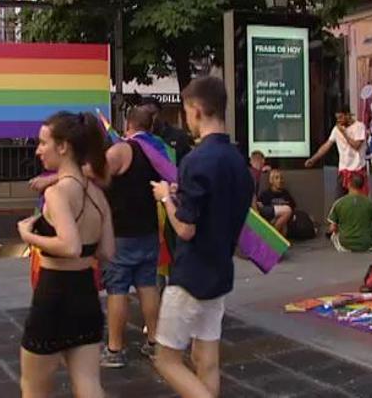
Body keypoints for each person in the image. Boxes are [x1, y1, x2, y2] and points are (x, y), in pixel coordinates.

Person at [150, 76, 253, 398]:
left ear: (196, 109)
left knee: (166, 360)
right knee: (205, 358)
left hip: (191, 275)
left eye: (186, 111)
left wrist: (166, 197)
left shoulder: (195, 161)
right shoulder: (239, 161)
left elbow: (185, 229)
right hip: (220, 270)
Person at [17, 111, 115, 398]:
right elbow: (108, 251)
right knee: (88, 383)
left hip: (54, 294)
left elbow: (69, 246)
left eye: (43, 143)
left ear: (63, 147)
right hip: (86, 293)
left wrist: (28, 236)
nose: (38, 150)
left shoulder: (57, 193)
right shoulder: (98, 194)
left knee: (33, 387)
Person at [92, 106, 162, 368]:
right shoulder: (156, 151)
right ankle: (154, 343)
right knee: (147, 286)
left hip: (121, 232)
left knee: (117, 290)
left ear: (128, 124)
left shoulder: (122, 149)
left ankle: (115, 349)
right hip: (148, 230)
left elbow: (97, 175)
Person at [305, 107, 368, 197]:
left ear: (348, 115)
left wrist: (344, 133)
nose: (339, 120)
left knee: (357, 201)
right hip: (343, 171)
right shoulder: (336, 129)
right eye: (337, 118)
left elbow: (356, 146)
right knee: (339, 200)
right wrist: (313, 159)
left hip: (357, 171)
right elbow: (326, 145)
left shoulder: (359, 126)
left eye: (341, 117)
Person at [327, 173, 372, 252]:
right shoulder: (370, 203)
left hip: (344, 245)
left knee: (334, 232)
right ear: (363, 186)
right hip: (368, 245)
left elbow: (333, 228)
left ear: (349, 184)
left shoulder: (339, 203)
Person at [141, 97, 194, 164]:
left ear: (160, 113)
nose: (149, 118)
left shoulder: (178, 136)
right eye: (145, 115)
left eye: (152, 114)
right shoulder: (138, 138)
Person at [257, 169, 296, 236]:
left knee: (285, 229)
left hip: (284, 221)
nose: (280, 180)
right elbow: (262, 210)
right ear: (271, 180)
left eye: (281, 178)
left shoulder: (285, 193)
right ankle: (272, 236)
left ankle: (274, 237)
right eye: (276, 178)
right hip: (271, 220)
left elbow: (293, 207)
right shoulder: (266, 194)